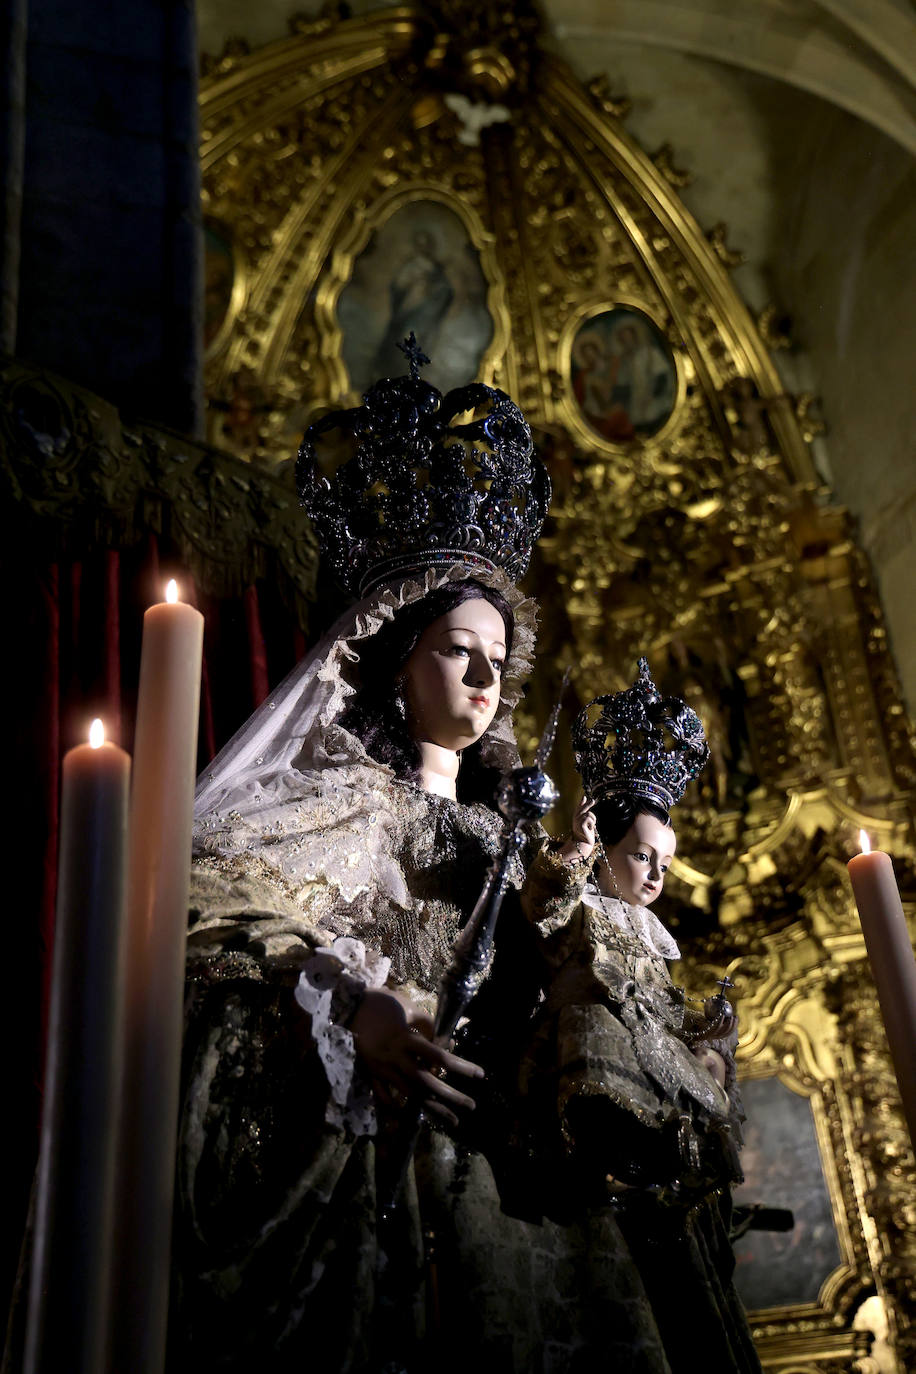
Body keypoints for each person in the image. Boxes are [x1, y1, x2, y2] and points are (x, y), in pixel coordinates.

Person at [172, 361, 678, 1372]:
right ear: (397, 654)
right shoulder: (334, 799)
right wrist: (356, 1006)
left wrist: (559, 914)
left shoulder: (513, 836)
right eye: (457, 651)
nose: (487, 677)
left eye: (497, 656)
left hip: (513, 1157)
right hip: (388, 1148)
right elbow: (221, 920)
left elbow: (550, 998)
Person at [518, 661, 762, 1372]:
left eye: (663, 864)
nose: (654, 876)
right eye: (639, 856)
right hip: (583, 1048)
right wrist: (573, 858)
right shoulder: (581, 899)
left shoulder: (654, 938)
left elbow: (660, 1009)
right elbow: (542, 918)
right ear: (607, 849)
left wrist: (705, 1047)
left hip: (648, 1061)